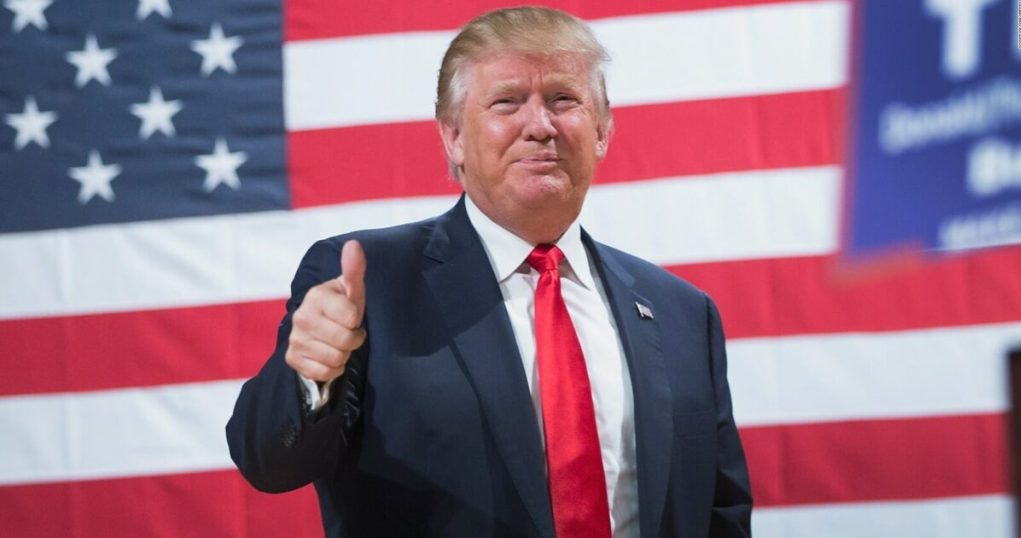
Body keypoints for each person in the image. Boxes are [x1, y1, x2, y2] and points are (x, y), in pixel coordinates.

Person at [226, 6, 752, 537]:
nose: (540, 126)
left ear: (602, 130)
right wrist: (309, 376)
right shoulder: (369, 286)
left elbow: (721, 514)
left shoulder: (683, 313)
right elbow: (269, 464)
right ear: (453, 137)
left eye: (563, 99)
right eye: (507, 102)